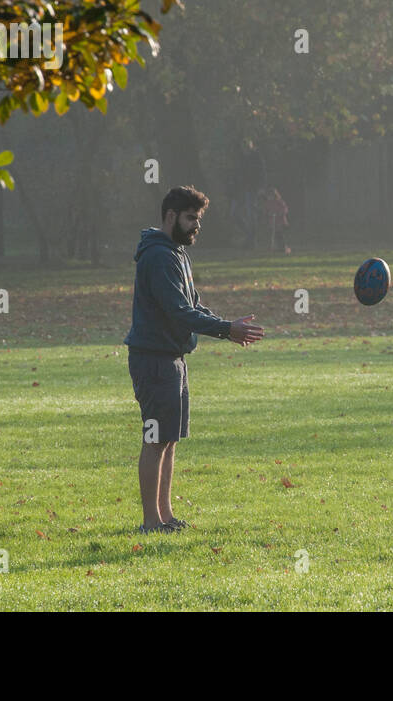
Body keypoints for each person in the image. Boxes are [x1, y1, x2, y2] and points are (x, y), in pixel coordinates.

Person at [123, 185, 265, 534]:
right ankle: (150, 522)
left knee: (169, 438)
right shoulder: (158, 256)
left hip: (173, 358)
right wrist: (225, 330)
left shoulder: (177, 254)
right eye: (190, 218)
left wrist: (227, 326)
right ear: (171, 216)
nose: (196, 226)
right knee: (155, 438)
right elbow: (178, 313)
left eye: (198, 220)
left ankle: (166, 515)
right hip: (154, 359)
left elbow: (194, 305)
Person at [260, 186, 291, 254]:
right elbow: (266, 211)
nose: (270, 197)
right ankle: (279, 247)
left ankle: (284, 247)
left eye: (272, 195)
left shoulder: (279, 201)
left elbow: (285, 209)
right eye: (269, 196)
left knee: (280, 234)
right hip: (273, 222)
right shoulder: (268, 203)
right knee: (275, 235)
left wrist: (280, 213)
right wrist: (267, 214)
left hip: (280, 221)